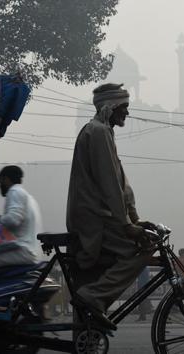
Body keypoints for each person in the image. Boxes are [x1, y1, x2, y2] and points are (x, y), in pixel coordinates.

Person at [66, 83, 155, 330]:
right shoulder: (97, 132)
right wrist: (127, 226)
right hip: (94, 219)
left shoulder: (103, 131)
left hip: (102, 216)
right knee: (143, 247)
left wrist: (134, 219)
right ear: (111, 106)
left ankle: (93, 302)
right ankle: (93, 297)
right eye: (124, 107)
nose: (126, 113)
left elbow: (120, 184)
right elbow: (110, 185)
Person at [0, 165, 42, 268]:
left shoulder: (14, 192)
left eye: (0, 182)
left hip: (22, 250)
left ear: (5, 179)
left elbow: (13, 220)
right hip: (27, 250)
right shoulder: (28, 196)